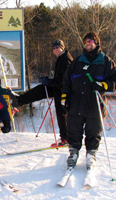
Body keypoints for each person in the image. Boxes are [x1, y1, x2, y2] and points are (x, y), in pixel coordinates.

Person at [62, 31, 116, 170]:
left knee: (94, 131)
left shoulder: (106, 62)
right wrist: (65, 98)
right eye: (85, 42)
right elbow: (67, 80)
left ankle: (91, 154)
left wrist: (102, 85)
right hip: (76, 103)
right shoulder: (77, 61)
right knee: (73, 130)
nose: (87, 44)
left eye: (90, 42)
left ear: (96, 43)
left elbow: (114, 81)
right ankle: (73, 153)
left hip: (95, 103)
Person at [12, 39, 73, 147]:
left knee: (61, 112)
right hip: (58, 88)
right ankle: (18, 100)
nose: (55, 50)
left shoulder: (66, 59)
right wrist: (48, 80)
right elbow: (59, 78)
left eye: (57, 47)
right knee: (40, 89)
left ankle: (66, 138)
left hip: (64, 91)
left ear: (62, 47)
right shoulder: (61, 58)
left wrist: (50, 81)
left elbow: (64, 79)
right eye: (53, 48)